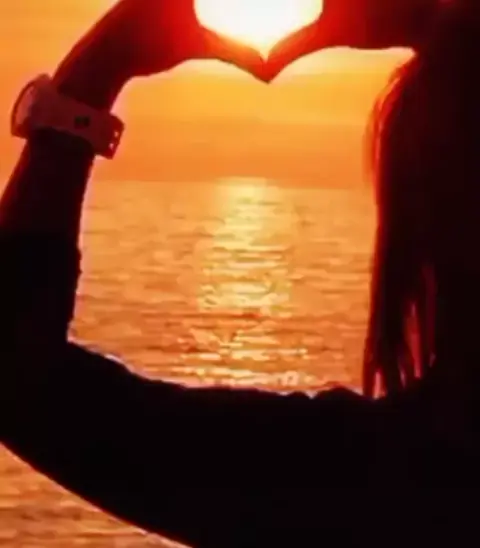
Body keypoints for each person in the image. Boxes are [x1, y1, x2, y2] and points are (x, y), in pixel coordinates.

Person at [0, 0, 476, 546]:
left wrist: (96, 69)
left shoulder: (365, 488)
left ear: (431, 215)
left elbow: (16, 372)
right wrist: (449, 38)